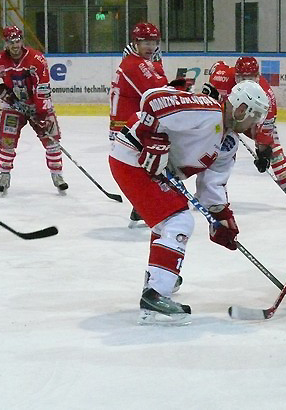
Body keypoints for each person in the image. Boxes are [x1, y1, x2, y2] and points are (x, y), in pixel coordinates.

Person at [109, 80, 270, 325]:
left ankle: (158, 279)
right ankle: (155, 296)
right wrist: (153, 139)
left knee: (167, 222)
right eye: (254, 116)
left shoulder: (229, 143)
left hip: (155, 170)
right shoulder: (206, 110)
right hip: (133, 156)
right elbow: (152, 98)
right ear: (241, 109)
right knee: (178, 221)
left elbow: (212, 185)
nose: (255, 124)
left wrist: (222, 218)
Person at [0, 25, 67, 196]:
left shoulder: (37, 59)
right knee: (7, 141)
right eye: (11, 42)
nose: (15, 45)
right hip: (13, 105)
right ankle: (4, 175)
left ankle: (57, 175)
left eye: (17, 41)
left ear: (22, 41)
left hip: (37, 105)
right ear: (5, 43)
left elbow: (43, 88)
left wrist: (42, 114)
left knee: (51, 139)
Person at [203, 56, 286, 207]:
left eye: (249, 78)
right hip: (229, 117)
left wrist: (263, 153)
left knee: (273, 148)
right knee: (222, 150)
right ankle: (214, 193)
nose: (245, 82)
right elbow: (217, 67)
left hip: (252, 122)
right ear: (235, 75)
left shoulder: (266, 97)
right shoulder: (222, 77)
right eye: (241, 78)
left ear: (257, 77)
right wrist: (210, 95)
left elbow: (265, 133)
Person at [110, 22, 169, 225]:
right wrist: (158, 66)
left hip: (128, 123)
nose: (151, 47)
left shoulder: (136, 62)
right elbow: (160, 92)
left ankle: (142, 206)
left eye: (154, 42)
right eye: (146, 43)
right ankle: (146, 205)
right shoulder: (135, 65)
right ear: (135, 43)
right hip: (129, 126)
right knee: (152, 162)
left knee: (147, 164)